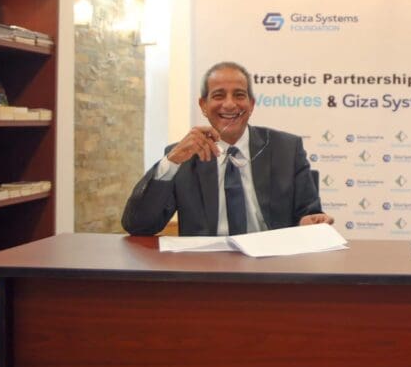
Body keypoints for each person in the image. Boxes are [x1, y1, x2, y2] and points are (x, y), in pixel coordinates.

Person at [123, 61, 333, 236]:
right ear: (203, 105)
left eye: (239, 95)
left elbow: (308, 214)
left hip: (270, 264)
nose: (230, 104)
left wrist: (308, 223)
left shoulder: (286, 149)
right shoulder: (184, 156)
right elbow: (139, 226)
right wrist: (170, 162)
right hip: (206, 268)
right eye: (219, 95)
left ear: (251, 104)